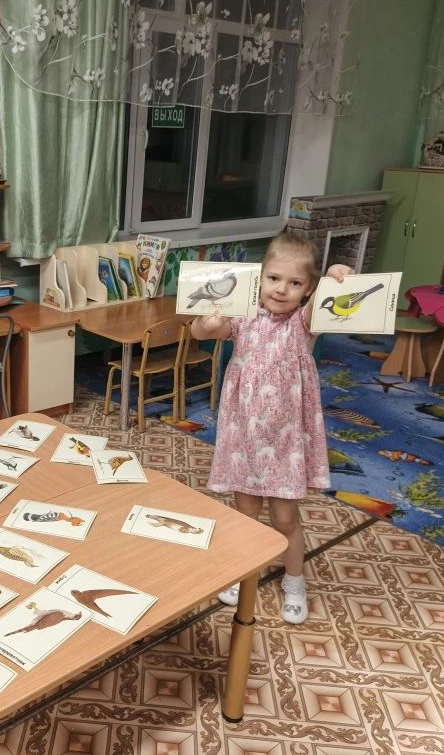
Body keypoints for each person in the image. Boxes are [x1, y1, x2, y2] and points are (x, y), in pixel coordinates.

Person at [190, 234, 352, 624]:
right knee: (245, 513)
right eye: (274, 279)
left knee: (284, 518)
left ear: (308, 289)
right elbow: (200, 332)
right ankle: (242, 571)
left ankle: (294, 581)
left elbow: (328, 301)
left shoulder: (303, 321)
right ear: (259, 277)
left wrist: (336, 275)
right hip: (244, 436)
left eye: (294, 283)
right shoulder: (242, 314)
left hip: (285, 442)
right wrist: (208, 321)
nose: (281, 290)